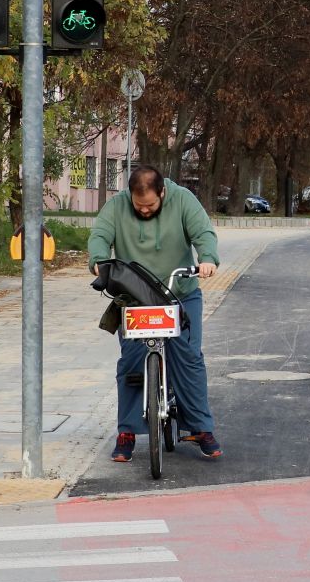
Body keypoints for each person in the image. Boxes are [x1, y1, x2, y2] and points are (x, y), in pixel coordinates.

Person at [89, 164, 222, 463]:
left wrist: (208, 260)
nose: (144, 210)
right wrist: (98, 260)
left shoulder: (183, 199)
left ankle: (200, 428)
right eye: (139, 206)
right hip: (135, 297)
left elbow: (203, 233)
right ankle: (127, 431)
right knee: (132, 361)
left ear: (162, 192)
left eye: (150, 205)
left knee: (188, 357)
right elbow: (99, 235)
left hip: (180, 293)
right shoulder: (117, 205)